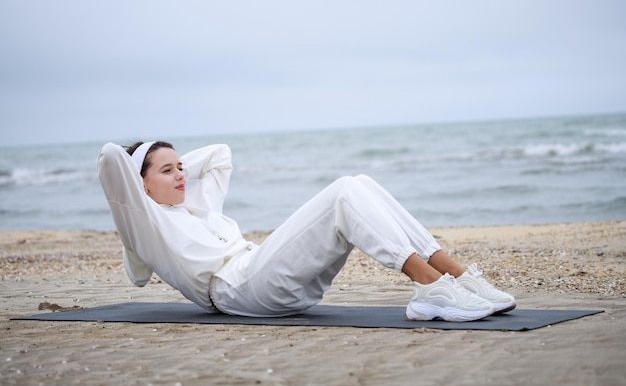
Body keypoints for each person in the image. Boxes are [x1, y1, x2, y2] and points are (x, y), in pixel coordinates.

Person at [97, 140, 516, 322]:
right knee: (341, 194)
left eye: (181, 167)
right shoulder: (145, 224)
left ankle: (456, 278)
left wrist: (167, 164)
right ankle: (429, 289)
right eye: (168, 171)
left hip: (259, 272)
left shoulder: (196, 208)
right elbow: (111, 160)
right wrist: (141, 177)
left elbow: (220, 156)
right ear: (139, 186)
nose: (182, 175)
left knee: (361, 183)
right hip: (235, 290)